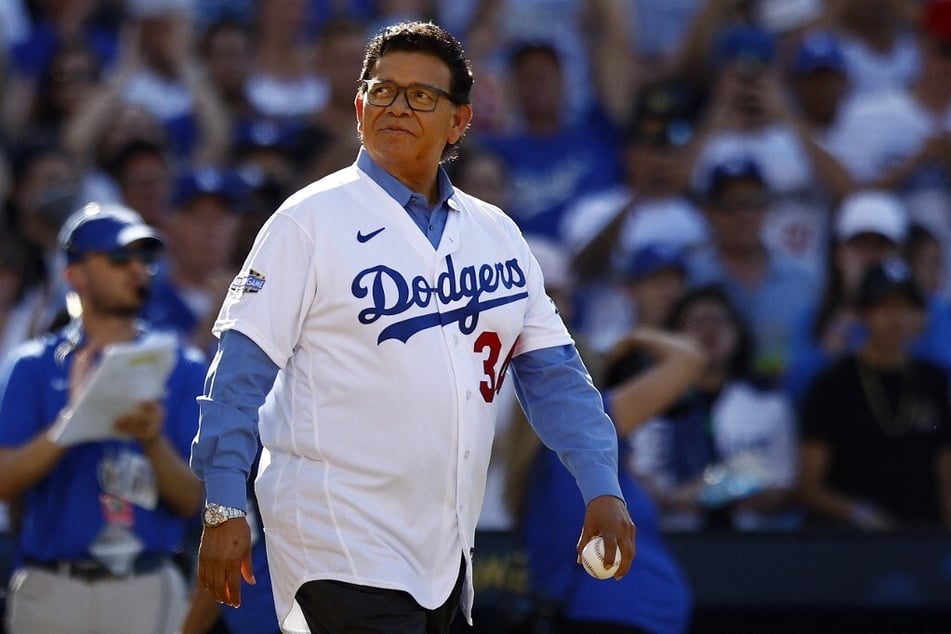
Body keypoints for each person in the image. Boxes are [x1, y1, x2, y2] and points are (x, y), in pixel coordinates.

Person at [190, 20, 635, 634]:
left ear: (459, 122)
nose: (397, 106)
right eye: (382, 90)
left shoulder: (496, 234)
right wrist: (221, 504)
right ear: (358, 107)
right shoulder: (308, 221)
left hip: (445, 546)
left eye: (421, 95)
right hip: (335, 534)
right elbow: (238, 375)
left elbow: (557, 380)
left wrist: (602, 487)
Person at [0, 202, 206, 633]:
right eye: (118, 258)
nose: (137, 269)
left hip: (146, 584)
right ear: (73, 273)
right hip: (53, 586)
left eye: (144, 258)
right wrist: (74, 420)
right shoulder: (33, 365)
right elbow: (3, 482)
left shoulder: (183, 365)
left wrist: (152, 441)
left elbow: (195, 503)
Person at [505, 326, 704, 633]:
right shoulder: (586, 423)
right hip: (613, 617)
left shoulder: (531, 456)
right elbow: (689, 359)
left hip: (593, 616)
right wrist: (634, 337)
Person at [627, 285, 800, 532]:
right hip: (673, 537)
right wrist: (673, 499)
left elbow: (787, 487)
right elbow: (635, 477)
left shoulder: (769, 403)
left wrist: (723, 494)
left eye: (719, 320)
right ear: (674, 335)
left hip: (754, 542)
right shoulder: (649, 402)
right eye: (696, 321)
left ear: (739, 331)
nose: (708, 330)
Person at [798, 258, 951, 530]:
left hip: (922, 539)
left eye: (908, 307)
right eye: (886, 306)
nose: (898, 318)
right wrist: (856, 512)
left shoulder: (934, 380)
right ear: (862, 313)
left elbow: (945, 468)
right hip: (848, 543)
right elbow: (809, 484)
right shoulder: (832, 383)